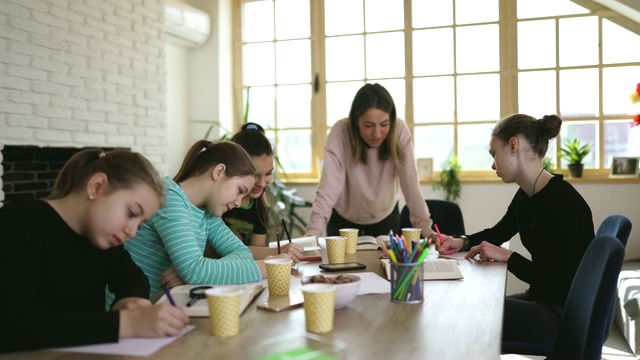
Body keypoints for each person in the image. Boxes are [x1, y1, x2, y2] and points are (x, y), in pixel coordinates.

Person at [0, 149, 189, 353]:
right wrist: (126, 323)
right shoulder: (20, 221)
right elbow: (13, 323)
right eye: (131, 213)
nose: (132, 231)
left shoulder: (102, 239)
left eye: (140, 224)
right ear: (97, 186)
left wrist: (131, 300)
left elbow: (133, 278)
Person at [437, 114, 595, 347]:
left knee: (469, 313)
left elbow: (563, 283)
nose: (492, 165)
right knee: (472, 307)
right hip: (542, 301)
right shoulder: (527, 195)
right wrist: (462, 241)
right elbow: (499, 232)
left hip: (562, 316)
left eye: (494, 154)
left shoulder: (562, 203)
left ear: (513, 145)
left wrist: (509, 258)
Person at [122, 140, 293, 296]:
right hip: (137, 311)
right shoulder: (169, 198)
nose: (239, 203)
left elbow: (241, 252)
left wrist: (200, 274)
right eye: (240, 191)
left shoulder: (206, 211)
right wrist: (267, 267)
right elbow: (196, 270)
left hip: (170, 306)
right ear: (219, 172)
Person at [305, 83, 436, 240]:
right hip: (343, 221)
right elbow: (327, 190)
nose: (377, 134)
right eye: (368, 125)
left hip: (386, 218)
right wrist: (311, 236)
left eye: (384, 125)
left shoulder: (399, 132)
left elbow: (411, 185)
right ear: (355, 120)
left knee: (384, 264)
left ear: (391, 120)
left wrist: (426, 229)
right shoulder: (340, 134)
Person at [221, 122, 304, 260]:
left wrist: (278, 253)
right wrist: (277, 251)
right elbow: (219, 252)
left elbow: (256, 254)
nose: (261, 183)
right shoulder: (220, 203)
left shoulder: (261, 204)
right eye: (254, 175)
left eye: (268, 173)